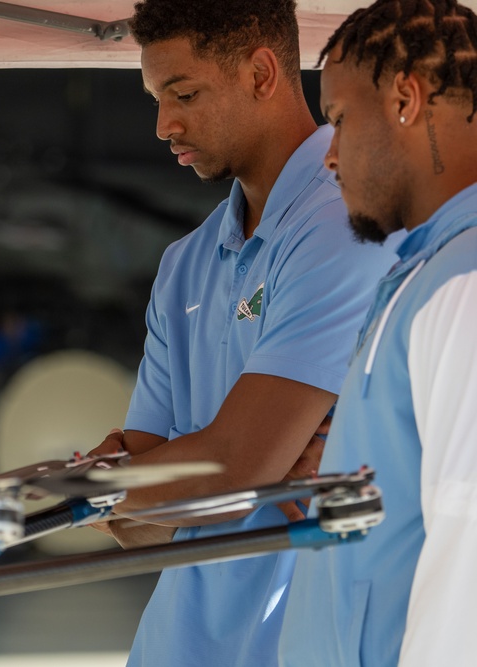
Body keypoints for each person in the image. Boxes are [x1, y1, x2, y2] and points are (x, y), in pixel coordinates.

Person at [86, 1, 402, 665]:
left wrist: (166, 474)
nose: (164, 124)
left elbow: (228, 472)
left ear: (262, 73)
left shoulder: (348, 224)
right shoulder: (185, 265)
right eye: (155, 98)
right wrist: (167, 480)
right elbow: (136, 529)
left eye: (185, 94)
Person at [278, 1, 477, 665]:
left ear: (405, 98)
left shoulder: (463, 286)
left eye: (337, 121)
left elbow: (465, 555)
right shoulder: (425, 272)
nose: (329, 157)